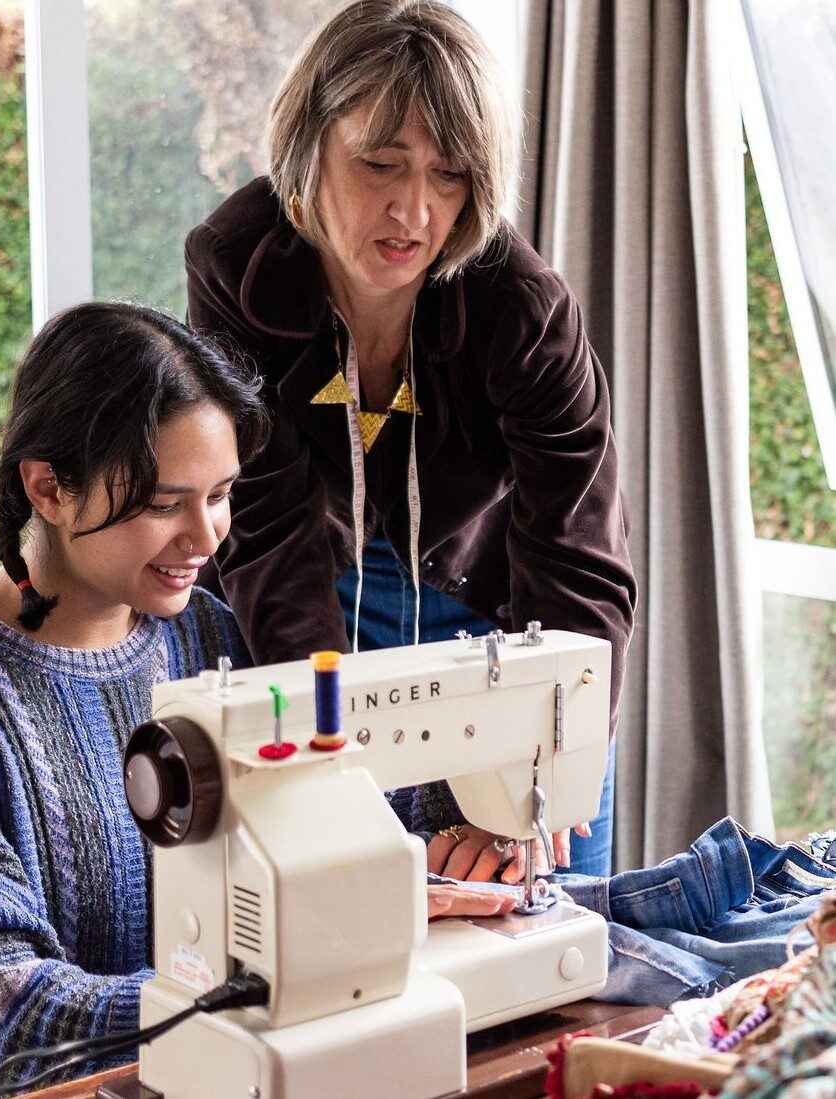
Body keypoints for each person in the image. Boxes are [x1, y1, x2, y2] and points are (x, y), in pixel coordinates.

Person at [0, 302, 514, 1098]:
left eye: (221, 494)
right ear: (48, 487)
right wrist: (285, 976)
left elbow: (364, 801)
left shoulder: (215, 641)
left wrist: (478, 804)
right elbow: (10, 1023)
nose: (207, 537)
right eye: (166, 504)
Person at [185, 0, 636, 880]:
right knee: (347, 892)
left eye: (449, 175)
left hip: (505, 611)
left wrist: (544, 767)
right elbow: (265, 519)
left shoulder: (522, 305)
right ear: (309, 144)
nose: (413, 211)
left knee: (554, 900)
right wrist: (321, 744)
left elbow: (579, 548)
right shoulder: (235, 266)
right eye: (379, 163)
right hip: (318, 589)